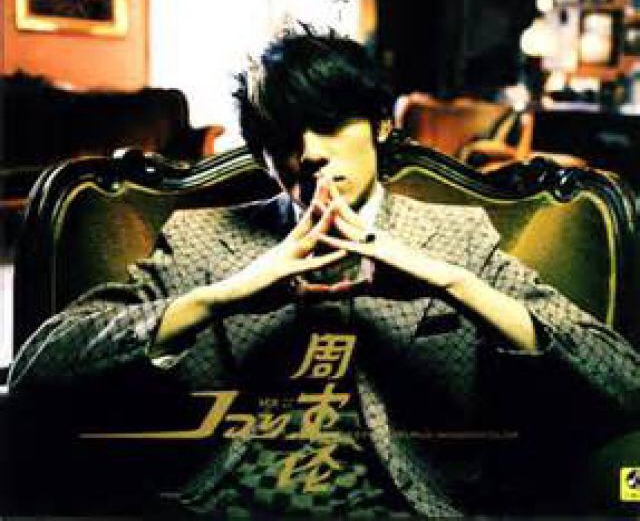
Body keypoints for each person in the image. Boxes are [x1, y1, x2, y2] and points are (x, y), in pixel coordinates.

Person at [9, 27, 640, 517]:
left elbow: (621, 378)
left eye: (332, 125)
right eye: (283, 136)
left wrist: (455, 284)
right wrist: (223, 296)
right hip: (222, 504)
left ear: (381, 126)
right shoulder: (202, 238)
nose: (309, 153)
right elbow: (38, 368)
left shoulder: (458, 236)